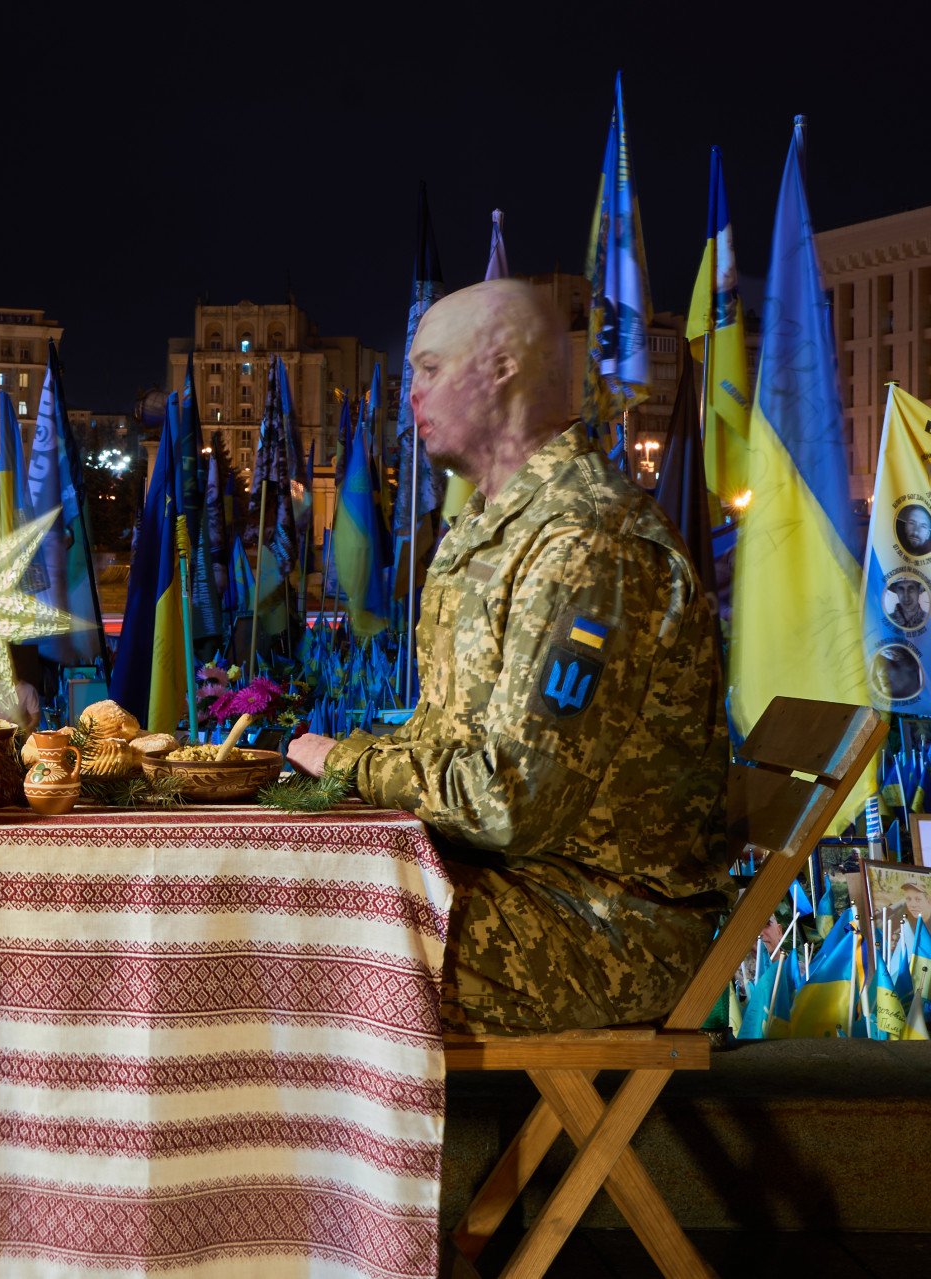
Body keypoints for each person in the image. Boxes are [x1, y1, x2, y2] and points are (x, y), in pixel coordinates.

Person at [285, 279, 729, 1035]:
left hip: (601, 924)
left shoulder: (585, 541)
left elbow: (506, 802)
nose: (410, 392)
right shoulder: (491, 529)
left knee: (288, 934)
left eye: (428, 368)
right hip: (520, 890)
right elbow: (445, 743)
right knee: (265, 892)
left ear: (498, 368)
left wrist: (346, 763)